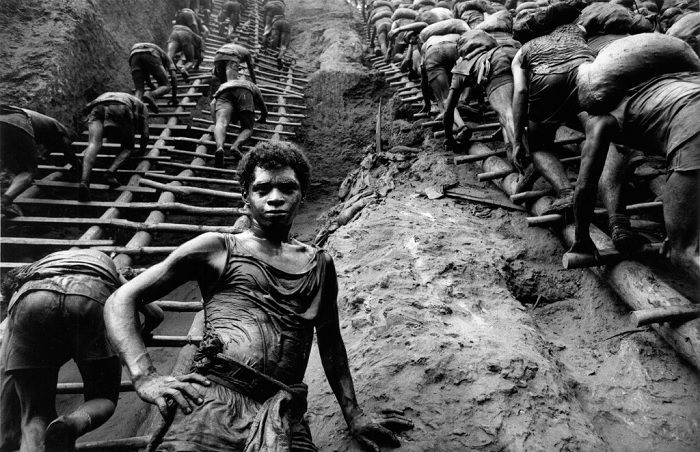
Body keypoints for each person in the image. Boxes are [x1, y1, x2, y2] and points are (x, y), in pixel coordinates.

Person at [105, 141, 413, 452]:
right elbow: (121, 300)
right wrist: (144, 375)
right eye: (263, 189)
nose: (275, 198)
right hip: (211, 403)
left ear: (302, 194)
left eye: (287, 188)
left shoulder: (320, 264)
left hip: (283, 413)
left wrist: (354, 414)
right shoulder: (218, 248)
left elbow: (331, 344)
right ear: (246, 196)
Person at [0, 249, 163, 452]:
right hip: (89, 295)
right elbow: (156, 314)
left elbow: (6, 359)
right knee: (103, 397)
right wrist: (136, 335)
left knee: (35, 414)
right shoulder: (100, 260)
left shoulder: (30, 277)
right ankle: (72, 423)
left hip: (31, 302)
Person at [570, 71, 700, 278]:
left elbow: (586, 185)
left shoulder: (602, 119)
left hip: (692, 133)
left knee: (683, 253)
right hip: (689, 123)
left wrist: (581, 238)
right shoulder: (660, 87)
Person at [511, 23, 595, 212]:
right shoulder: (576, 37)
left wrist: (517, 140)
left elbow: (521, 91)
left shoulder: (525, 50)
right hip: (585, 71)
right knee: (600, 135)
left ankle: (566, 193)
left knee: (539, 147)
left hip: (547, 82)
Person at [444, 30, 521, 161]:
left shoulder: (462, 66)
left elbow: (448, 109)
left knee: (507, 114)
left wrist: (449, 138)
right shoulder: (505, 48)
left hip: (494, 65)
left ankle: (522, 154)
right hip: (515, 55)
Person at [0, 105, 76, 218]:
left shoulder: (43, 123)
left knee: (12, 167)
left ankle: (10, 196)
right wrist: (77, 169)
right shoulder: (61, 130)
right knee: (29, 172)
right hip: (18, 123)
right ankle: (4, 202)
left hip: (5, 122)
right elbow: (70, 156)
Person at [79, 92, 149, 202]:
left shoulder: (120, 96)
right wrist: (141, 151)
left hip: (97, 106)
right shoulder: (143, 108)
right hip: (120, 106)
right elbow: (145, 134)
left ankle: (84, 181)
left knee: (93, 144)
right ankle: (109, 173)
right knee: (128, 147)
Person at [209, 79, 268, 167]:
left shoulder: (224, 84)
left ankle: (220, 147)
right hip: (245, 93)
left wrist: (216, 122)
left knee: (221, 122)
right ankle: (235, 146)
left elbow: (212, 104)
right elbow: (263, 108)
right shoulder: (253, 86)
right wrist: (262, 118)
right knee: (247, 128)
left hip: (224, 93)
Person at [129, 42, 180, 112]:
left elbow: (148, 82)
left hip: (133, 55)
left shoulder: (158, 56)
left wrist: (156, 90)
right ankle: (151, 95)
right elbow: (174, 77)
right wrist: (174, 97)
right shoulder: (167, 58)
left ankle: (134, 112)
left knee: (139, 90)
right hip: (151, 52)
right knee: (167, 86)